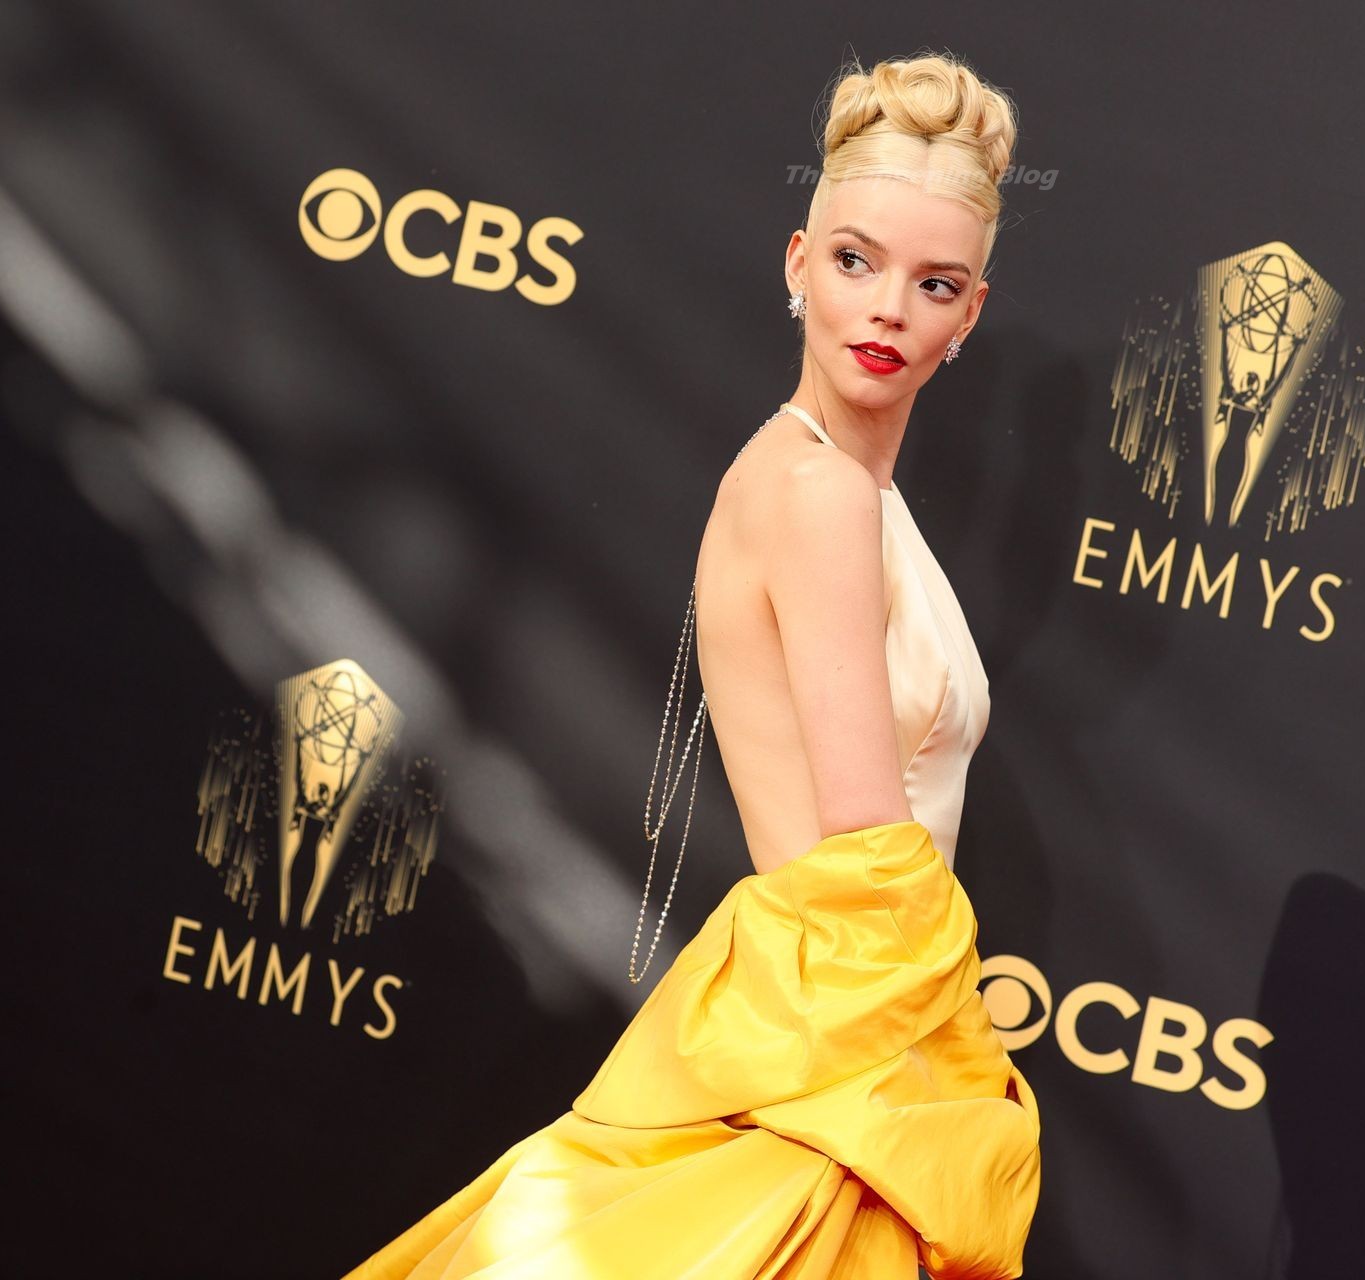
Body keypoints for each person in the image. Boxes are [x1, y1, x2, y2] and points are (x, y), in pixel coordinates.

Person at [341, 49, 1043, 1280]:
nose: (888, 309)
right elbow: (867, 855)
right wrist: (957, 1083)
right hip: (840, 1072)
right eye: (855, 261)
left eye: (933, 283)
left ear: (970, 313)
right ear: (797, 263)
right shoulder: (818, 493)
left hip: (844, 1051)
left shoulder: (837, 489)